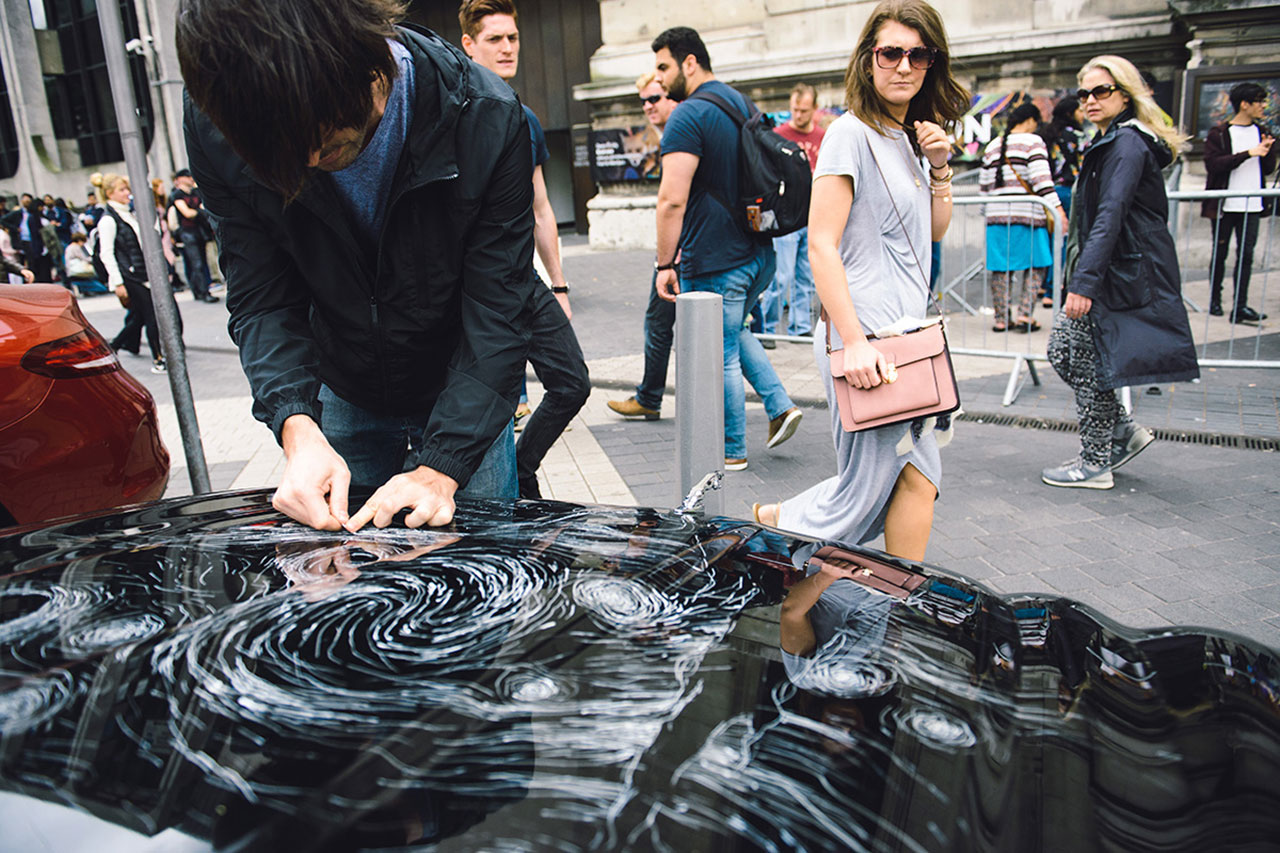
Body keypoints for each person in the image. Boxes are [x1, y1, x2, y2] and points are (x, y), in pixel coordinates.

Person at [177, 0, 539, 531]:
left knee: (481, 570)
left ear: (371, 63)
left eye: (320, 141)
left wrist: (441, 469)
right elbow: (260, 293)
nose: (302, 165)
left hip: (463, 383)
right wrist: (296, 426)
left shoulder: (487, 116)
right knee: (341, 575)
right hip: (340, 383)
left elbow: (499, 310)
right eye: (274, 155)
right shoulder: (216, 121)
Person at [752, 0, 969, 561]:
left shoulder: (913, 138)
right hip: (866, 335)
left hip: (906, 338)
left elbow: (933, 232)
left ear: (932, 63)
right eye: (890, 52)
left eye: (918, 54)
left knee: (915, 478)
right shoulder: (850, 133)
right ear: (868, 59)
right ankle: (788, 534)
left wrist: (940, 169)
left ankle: (897, 604)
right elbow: (821, 244)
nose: (904, 65)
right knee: (867, 489)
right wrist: (853, 343)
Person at [1041, 55, 1199, 489]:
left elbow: (1111, 215)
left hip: (1114, 273)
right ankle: (1123, 431)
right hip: (1111, 268)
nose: (1090, 100)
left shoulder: (1127, 144)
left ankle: (1095, 462)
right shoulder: (1113, 140)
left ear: (1124, 94)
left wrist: (1084, 282)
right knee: (1065, 353)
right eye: (1084, 93)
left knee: (1086, 363)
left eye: (1101, 91)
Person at [651, 26, 802, 471]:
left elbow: (671, 199)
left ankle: (731, 449)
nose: (658, 79)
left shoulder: (687, 116)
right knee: (732, 332)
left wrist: (664, 263)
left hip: (716, 257)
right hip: (758, 254)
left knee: (721, 353)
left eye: (664, 67)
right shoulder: (742, 104)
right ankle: (779, 405)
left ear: (689, 62)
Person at [457, 0, 591, 501]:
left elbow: (540, 208)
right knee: (487, 396)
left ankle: (523, 467)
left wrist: (558, 285)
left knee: (572, 382)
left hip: (523, 279)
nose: (508, 47)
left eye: (512, 38)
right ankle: (492, 496)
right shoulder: (452, 112)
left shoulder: (525, 118)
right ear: (469, 45)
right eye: (495, 39)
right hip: (470, 284)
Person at [608, 72, 679, 421]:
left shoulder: (680, 133)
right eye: (644, 101)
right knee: (661, 324)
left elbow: (676, 203)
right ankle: (649, 396)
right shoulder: (673, 133)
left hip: (681, 254)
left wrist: (667, 260)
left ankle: (776, 403)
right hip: (683, 250)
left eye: (655, 98)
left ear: (672, 96)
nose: (648, 107)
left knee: (730, 336)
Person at [979, 101, 1065, 332]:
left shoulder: (992, 146)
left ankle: (1001, 318)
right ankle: (1025, 314)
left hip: (996, 217)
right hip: (1028, 214)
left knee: (1000, 269)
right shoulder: (1033, 142)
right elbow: (1042, 181)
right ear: (1030, 121)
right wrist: (1058, 210)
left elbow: (984, 187)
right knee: (1037, 265)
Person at [1202, 81, 1276, 324]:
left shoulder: (1262, 131)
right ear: (1244, 104)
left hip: (1252, 204)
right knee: (1220, 253)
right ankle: (1215, 300)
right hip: (1225, 204)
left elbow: (1266, 168)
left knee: (1246, 255)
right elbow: (1214, 165)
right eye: (1259, 101)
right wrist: (1248, 153)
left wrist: (1267, 150)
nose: (1264, 106)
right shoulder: (1220, 134)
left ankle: (1240, 306)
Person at [760, 82, 825, 338]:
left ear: (815, 110)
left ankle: (800, 327)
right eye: (795, 110)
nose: (798, 115)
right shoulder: (779, 134)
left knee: (806, 276)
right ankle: (767, 328)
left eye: (804, 111)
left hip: (814, 215)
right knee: (781, 276)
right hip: (787, 216)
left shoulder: (822, 137)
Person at [96, 173, 173, 373]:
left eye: (126, 189)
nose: (127, 193)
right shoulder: (108, 220)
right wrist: (118, 283)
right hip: (129, 275)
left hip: (139, 272)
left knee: (139, 316)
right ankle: (158, 358)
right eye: (122, 190)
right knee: (151, 315)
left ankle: (114, 346)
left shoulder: (127, 214)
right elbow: (106, 253)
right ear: (109, 193)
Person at [1038, 95, 1087, 307]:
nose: (1082, 114)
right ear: (1070, 113)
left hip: (1048, 191)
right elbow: (1082, 164)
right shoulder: (1075, 135)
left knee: (1049, 241)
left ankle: (1044, 286)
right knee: (1064, 241)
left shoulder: (1047, 134)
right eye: (1079, 109)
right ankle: (1052, 289)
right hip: (1067, 190)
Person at [169, 169, 218, 303]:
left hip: (200, 231)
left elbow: (200, 209)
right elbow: (187, 213)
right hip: (187, 232)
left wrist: (198, 211)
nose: (191, 178)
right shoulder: (177, 195)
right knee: (195, 263)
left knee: (202, 261)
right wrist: (200, 212)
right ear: (179, 179)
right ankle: (201, 291)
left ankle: (201, 291)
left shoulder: (196, 192)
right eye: (187, 176)